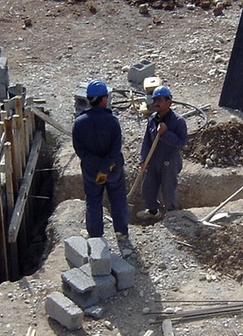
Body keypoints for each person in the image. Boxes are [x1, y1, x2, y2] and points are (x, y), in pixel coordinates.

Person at [72, 79, 131, 247]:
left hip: (91, 172)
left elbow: (80, 150)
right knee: (118, 199)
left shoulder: (79, 123)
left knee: (93, 201)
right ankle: (121, 233)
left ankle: (96, 236)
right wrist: (105, 167)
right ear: (103, 99)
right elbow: (115, 149)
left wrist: (97, 166)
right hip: (113, 171)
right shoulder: (112, 122)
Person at [137, 85, 187, 220]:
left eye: (159, 100)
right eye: (155, 100)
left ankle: (171, 213)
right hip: (153, 160)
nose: (156, 103)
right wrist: (143, 158)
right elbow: (147, 140)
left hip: (169, 161)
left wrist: (166, 134)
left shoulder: (178, 121)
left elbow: (181, 142)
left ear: (168, 102)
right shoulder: (153, 119)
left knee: (168, 188)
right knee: (148, 186)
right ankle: (152, 211)